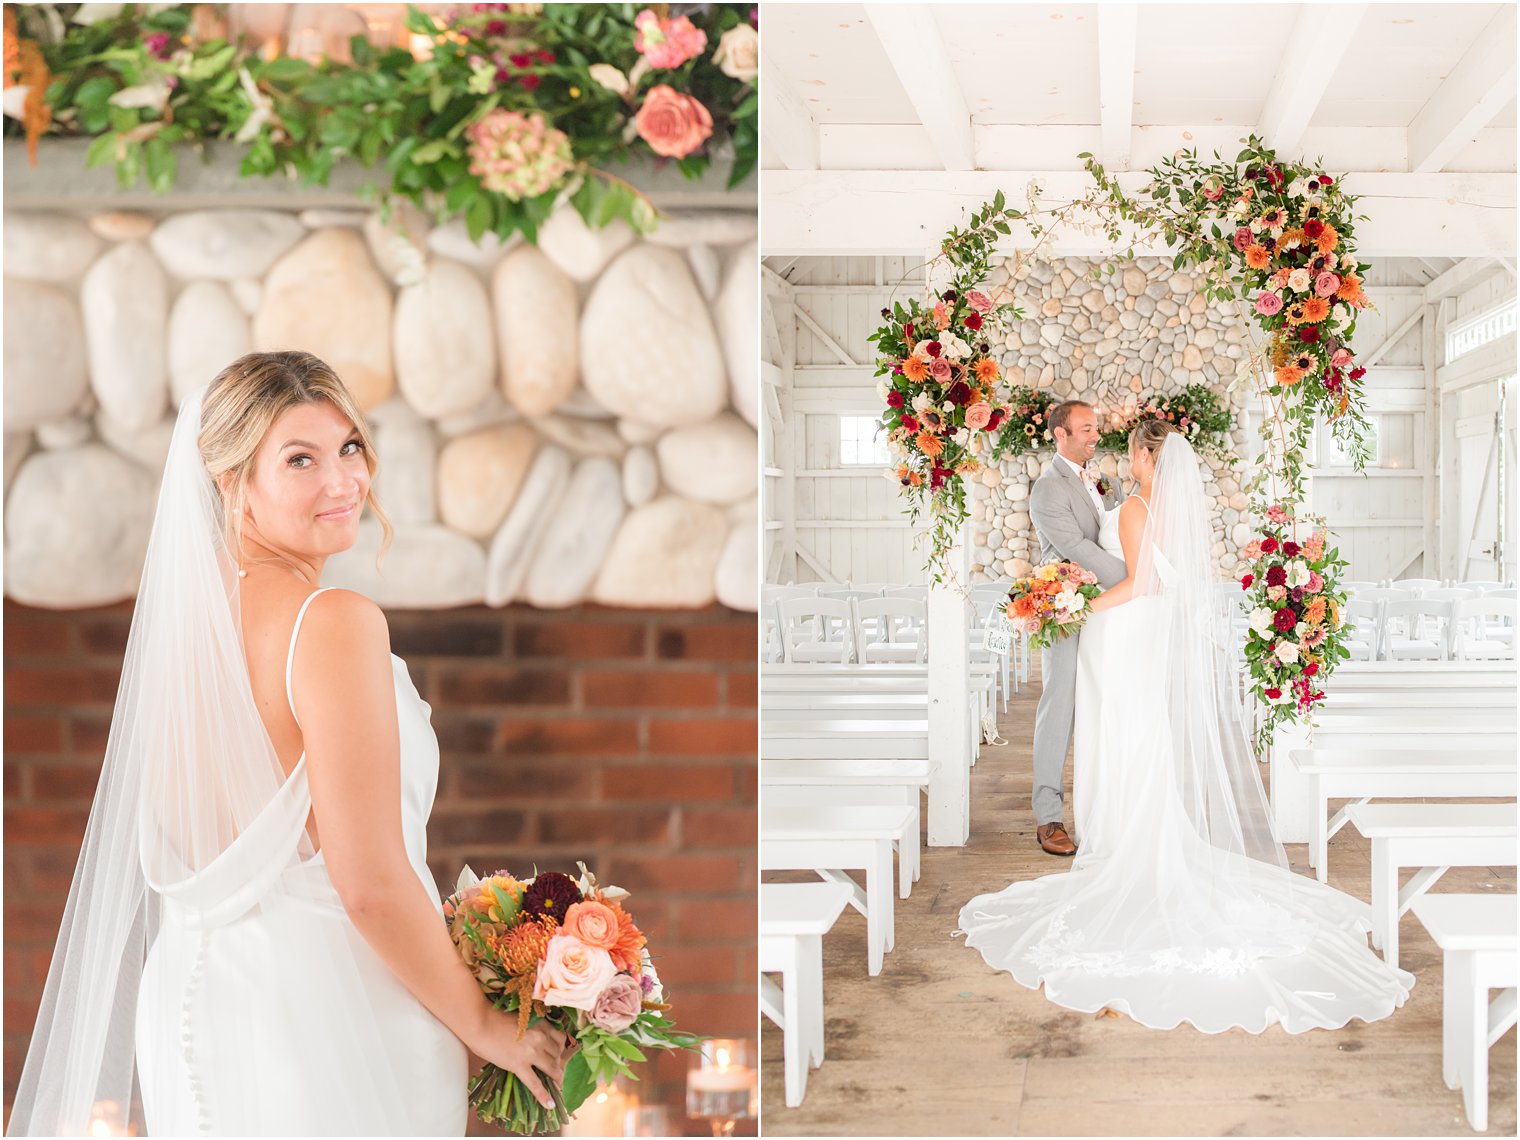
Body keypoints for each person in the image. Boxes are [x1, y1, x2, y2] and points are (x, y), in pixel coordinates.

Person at [9, 352, 572, 1135]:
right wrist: (485, 1026)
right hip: (336, 1013)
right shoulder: (333, 621)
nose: (342, 481)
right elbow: (370, 883)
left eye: (348, 448)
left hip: (194, 1005)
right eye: (300, 459)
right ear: (230, 481)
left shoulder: (184, 633)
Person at [958, 421, 1414, 1033]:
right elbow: (1159, 580)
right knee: (1140, 730)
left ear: (1148, 456)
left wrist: (1079, 606)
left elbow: (1138, 582)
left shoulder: (1136, 508)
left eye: (1134, 451)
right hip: (1143, 634)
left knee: (1121, 729)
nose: (1126, 456)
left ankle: (1121, 837)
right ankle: (1132, 827)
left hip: (1122, 632)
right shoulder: (1165, 507)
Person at [1026, 400, 1126, 855]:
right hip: (1064, 607)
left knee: (1105, 701)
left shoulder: (1105, 480)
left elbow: (1119, 527)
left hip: (1106, 608)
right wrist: (1133, 577)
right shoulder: (1048, 489)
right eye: (1086, 428)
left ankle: (1107, 804)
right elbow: (1073, 546)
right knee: (1060, 705)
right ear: (1059, 435)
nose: (1094, 436)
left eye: (1096, 428)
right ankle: (1048, 816)